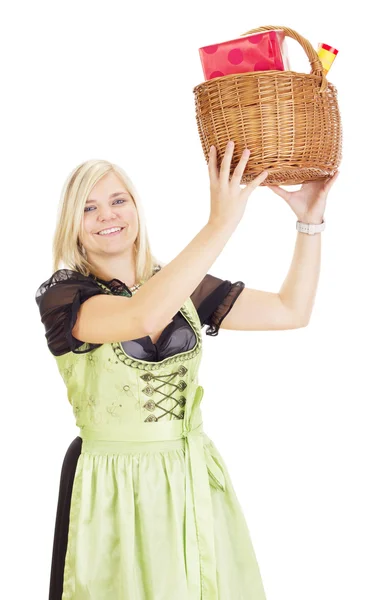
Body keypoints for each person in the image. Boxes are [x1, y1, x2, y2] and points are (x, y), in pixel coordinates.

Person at [35, 140, 339, 600]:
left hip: (191, 475)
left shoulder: (179, 286)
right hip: (112, 486)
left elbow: (289, 310)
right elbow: (140, 316)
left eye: (118, 201)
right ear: (72, 225)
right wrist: (221, 221)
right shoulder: (64, 298)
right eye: (89, 208)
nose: (107, 216)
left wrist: (310, 220)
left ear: (136, 208)